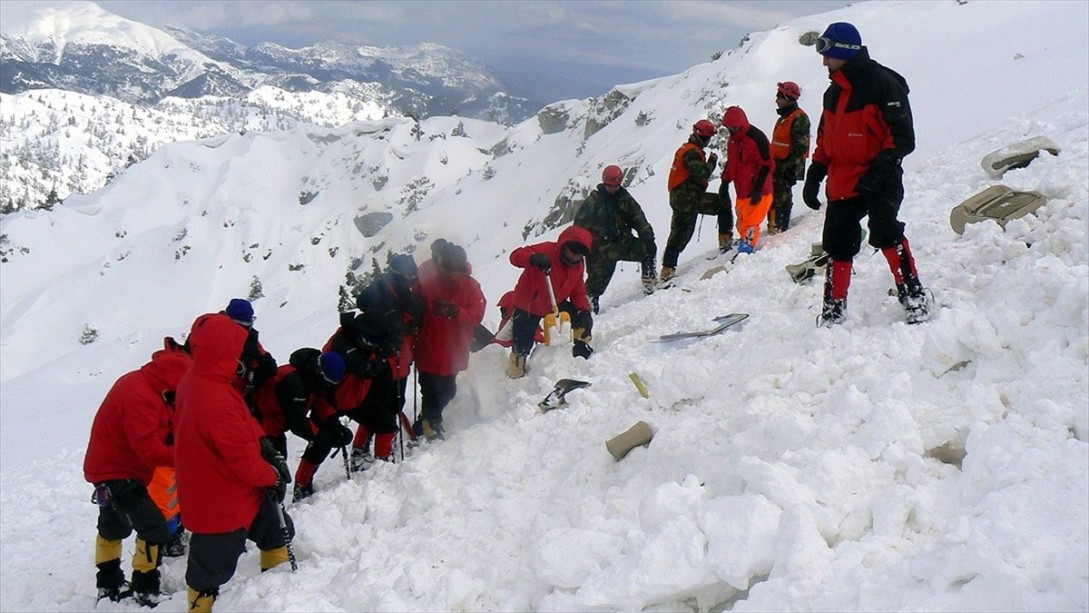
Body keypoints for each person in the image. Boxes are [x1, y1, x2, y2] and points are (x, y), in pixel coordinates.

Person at [803, 22, 932, 325]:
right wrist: (816, 172)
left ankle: (913, 296)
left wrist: (881, 170)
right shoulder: (833, 94)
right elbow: (827, 139)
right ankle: (834, 310)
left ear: (843, 51)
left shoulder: (883, 84)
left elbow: (902, 137)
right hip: (844, 178)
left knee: (885, 230)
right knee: (837, 242)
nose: (823, 61)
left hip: (880, 175)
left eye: (826, 52)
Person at [174, 313, 294, 612]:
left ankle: (277, 593)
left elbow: (243, 425)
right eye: (237, 347)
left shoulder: (203, 379)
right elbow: (241, 459)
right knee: (207, 571)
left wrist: (264, 445)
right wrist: (272, 476)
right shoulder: (214, 396)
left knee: (276, 531)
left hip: (236, 492)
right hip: (219, 503)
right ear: (224, 349)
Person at [83, 337, 191, 605]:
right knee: (154, 527)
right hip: (118, 472)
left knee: (112, 527)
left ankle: (108, 586)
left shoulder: (146, 385)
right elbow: (150, 450)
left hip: (109, 468)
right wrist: (189, 458)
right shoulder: (141, 397)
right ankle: (146, 588)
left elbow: (163, 428)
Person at [412, 242, 487, 440]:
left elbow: (476, 315)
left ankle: (426, 418)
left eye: (453, 269)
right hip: (428, 348)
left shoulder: (471, 287)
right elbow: (412, 304)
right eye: (445, 268)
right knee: (429, 388)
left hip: (454, 350)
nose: (449, 273)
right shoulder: (426, 281)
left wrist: (456, 312)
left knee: (448, 390)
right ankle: (432, 422)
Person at [504, 225, 594, 378]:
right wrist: (532, 258)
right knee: (522, 345)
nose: (575, 257)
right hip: (529, 304)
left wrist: (583, 309)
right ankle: (516, 372)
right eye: (573, 252)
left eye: (580, 254)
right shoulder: (546, 251)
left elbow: (578, 288)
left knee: (581, 321)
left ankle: (580, 348)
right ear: (565, 245)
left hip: (555, 303)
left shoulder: (578, 266)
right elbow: (515, 256)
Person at [573, 164, 658, 311]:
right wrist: (578, 249)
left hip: (622, 244)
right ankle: (587, 312)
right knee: (594, 286)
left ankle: (649, 283)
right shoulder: (593, 202)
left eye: (615, 186)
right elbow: (578, 228)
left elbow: (637, 217)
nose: (612, 189)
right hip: (599, 251)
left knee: (647, 251)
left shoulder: (624, 198)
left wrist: (648, 236)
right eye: (609, 185)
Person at [662, 119, 730, 283]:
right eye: (707, 138)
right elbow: (701, 174)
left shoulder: (685, 149)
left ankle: (667, 269)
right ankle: (725, 240)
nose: (708, 141)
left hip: (682, 197)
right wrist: (712, 161)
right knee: (722, 204)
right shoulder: (692, 152)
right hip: (688, 197)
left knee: (679, 233)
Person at [251, 348, 346, 458]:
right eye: (328, 382)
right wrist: (320, 436)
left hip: (275, 425)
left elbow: (320, 400)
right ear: (320, 373)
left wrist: (333, 422)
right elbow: (297, 421)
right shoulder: (294, 383)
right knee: (273, 467)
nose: (328, 386)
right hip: (262, 427)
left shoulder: (310, 376)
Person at [720, 106, 775, 253]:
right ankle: (745, 245)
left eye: (733, 128)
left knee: (750, 224)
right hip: (742, 191)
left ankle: (746, 251)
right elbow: (732, 162)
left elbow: (767, 165)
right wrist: (725, 181)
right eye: (729, 128)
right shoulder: (733, 141)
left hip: (760, 191)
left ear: (740, 125)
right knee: (742, 222)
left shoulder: (757, 138)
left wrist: (758, 189)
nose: (731, 131)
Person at [769, 81, 811, 233]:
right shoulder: (785, 118)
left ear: (787, 97)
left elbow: (800, 147)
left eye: (779, 97)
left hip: (787, 165)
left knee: (781, 196)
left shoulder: (799, 118)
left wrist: (791, 169)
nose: (776, 100)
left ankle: (779, 227)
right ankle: (775, 225)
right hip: (778, 164)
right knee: (776, 195)